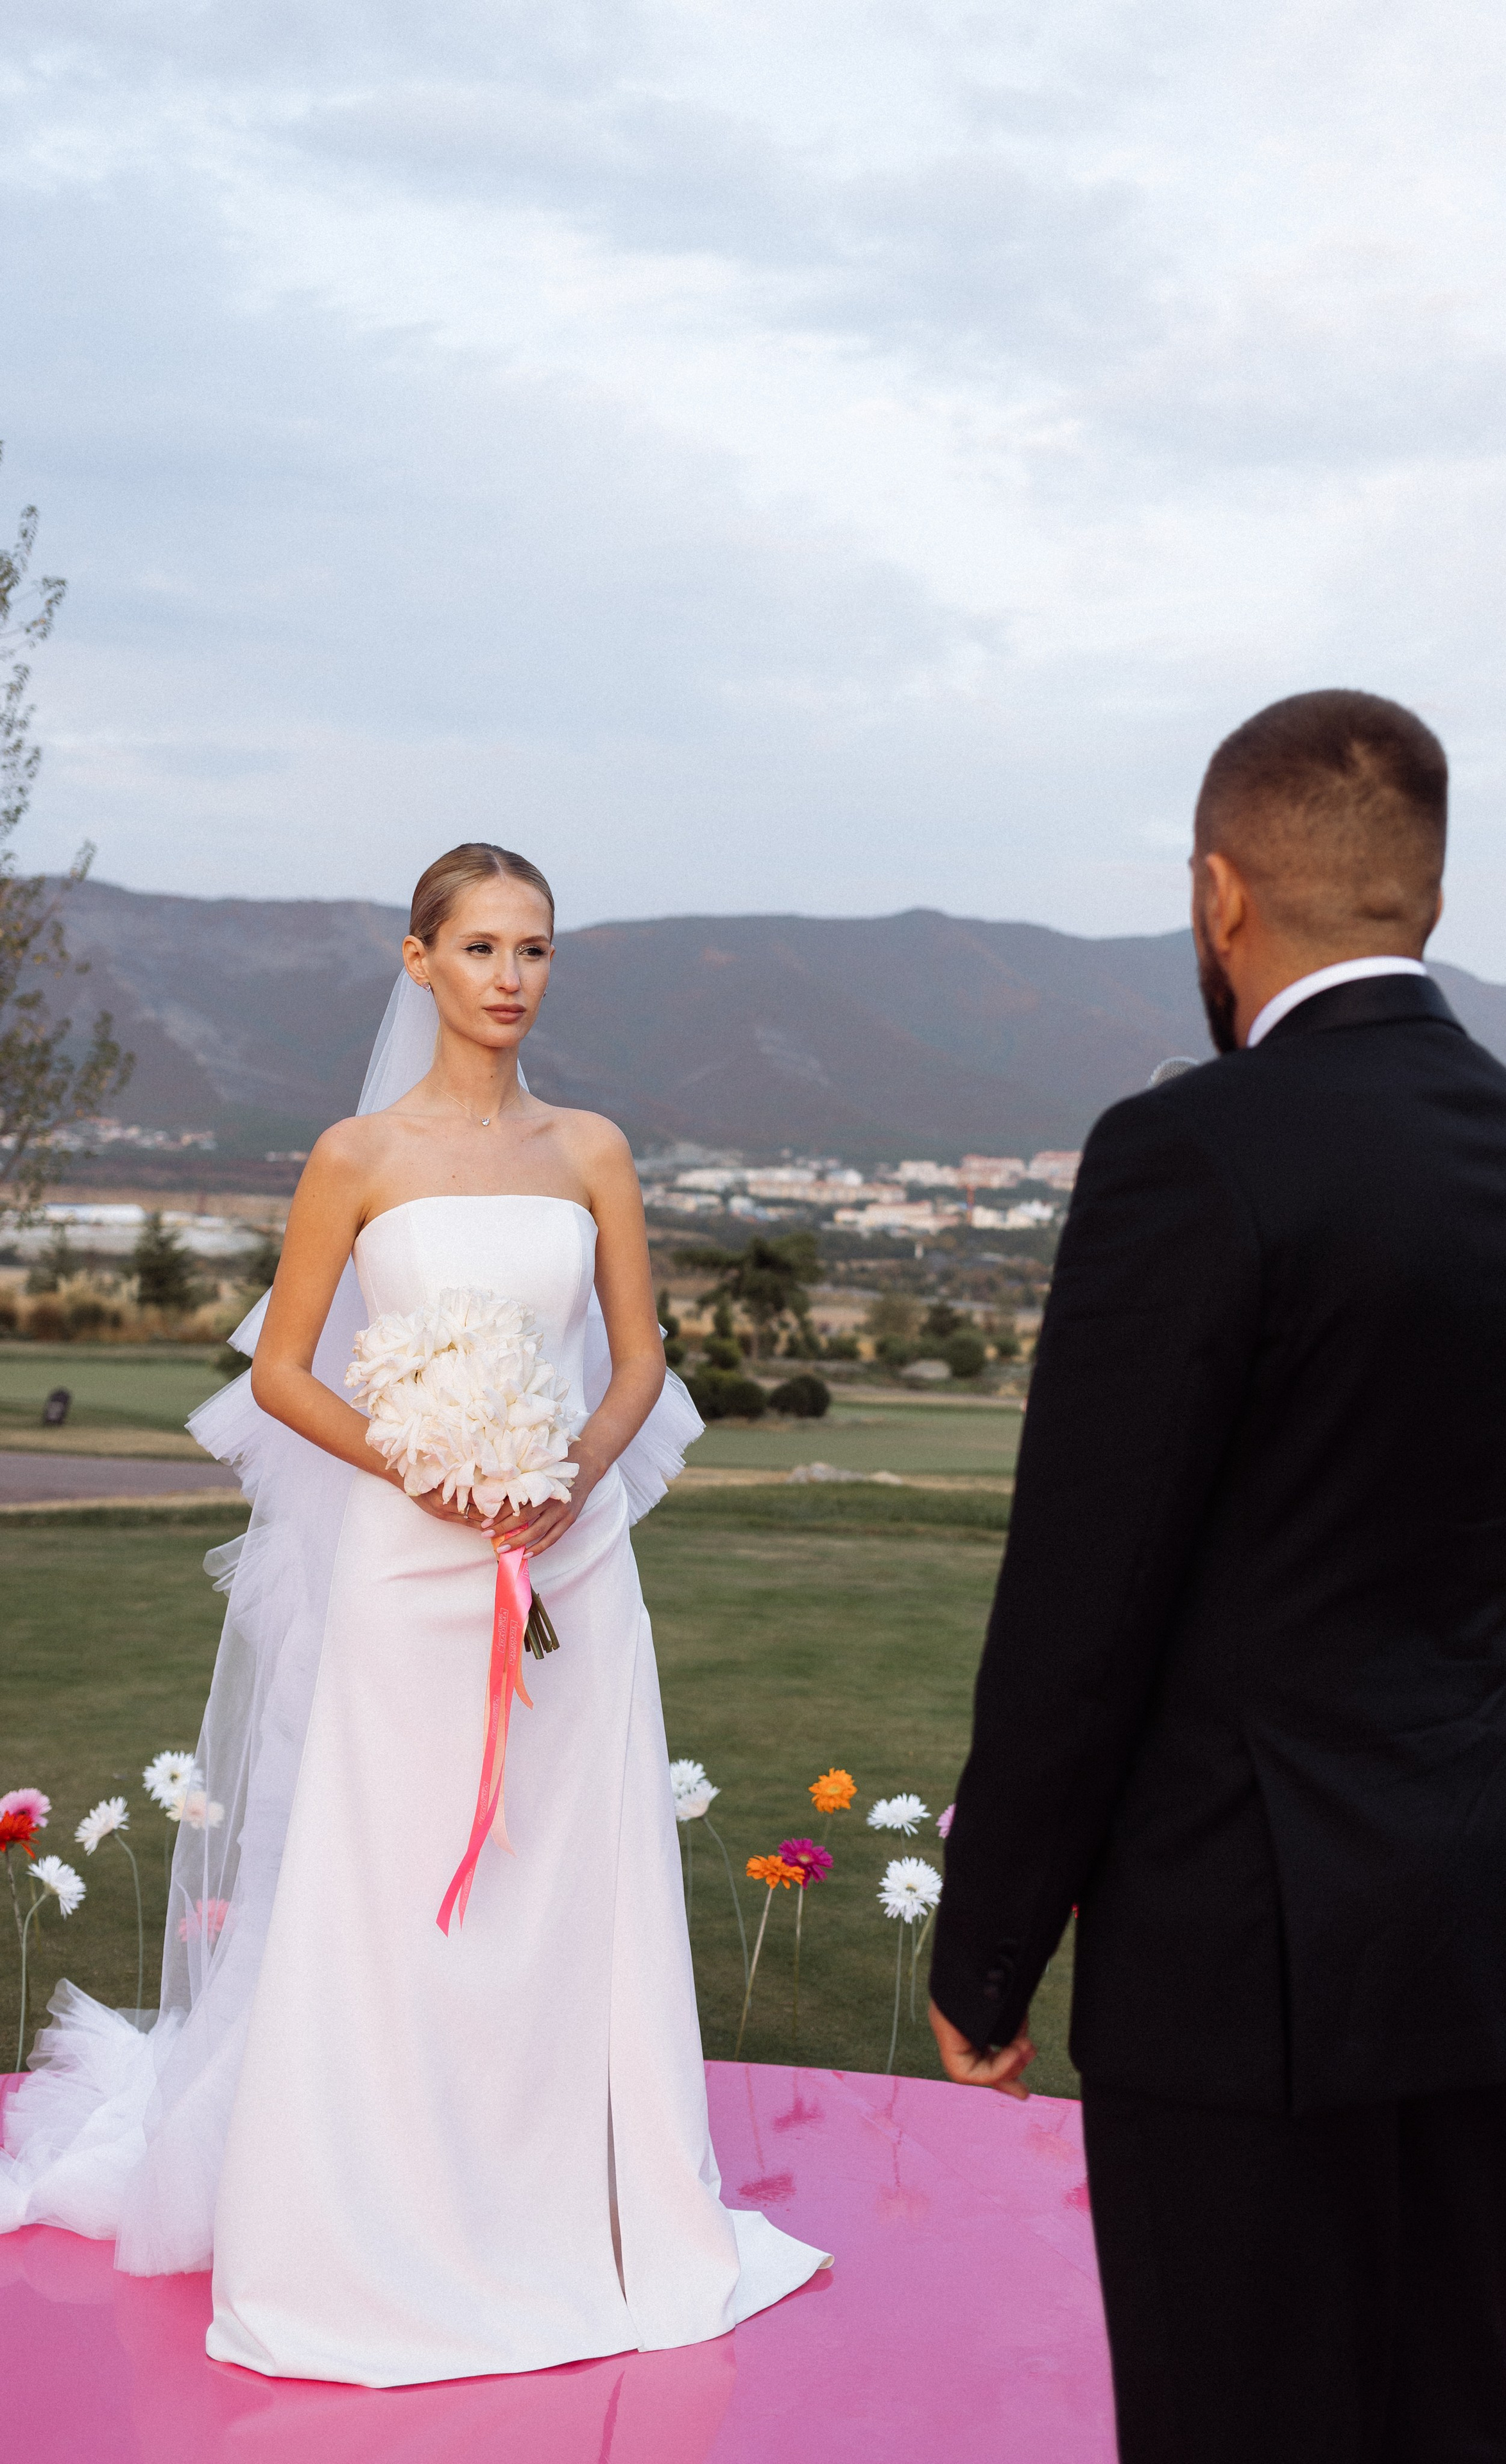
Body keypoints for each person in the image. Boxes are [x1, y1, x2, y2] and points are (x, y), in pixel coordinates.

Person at [0, 842, 826, 2384]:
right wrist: (432, 1471)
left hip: (569, 1560)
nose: (511, 976)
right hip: (408, 1560)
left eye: (536, 951)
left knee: (567, 1883)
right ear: (419, 962)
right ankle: (373, 2227)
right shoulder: (354, 1157)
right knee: (391, 1881)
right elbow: (281, 1373)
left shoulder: (592, 1149)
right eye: (483, 948)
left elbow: (639, 1362)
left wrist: (568, 1475)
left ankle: (583, 2208)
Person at [928, 691, 1506, 2463]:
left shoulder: (1189, 1152)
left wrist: (989, 1944)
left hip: (1239, 1941)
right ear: (1428, 901)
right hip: (1467, 1912)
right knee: (1448, 2410)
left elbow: (1084, 1597)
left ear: (1219, 897)